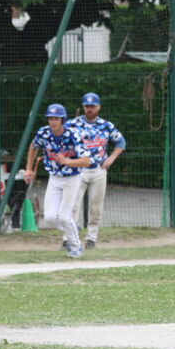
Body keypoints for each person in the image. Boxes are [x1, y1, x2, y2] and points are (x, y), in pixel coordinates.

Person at [25, 103, 91, 257]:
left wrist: (68, 162)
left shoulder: (73, 135)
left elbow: (86, 160)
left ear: (63, 119)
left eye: (56, 118)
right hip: (54, 178)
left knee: (64, 216)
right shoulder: (44, 133)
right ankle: (72, 228)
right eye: (50, 118)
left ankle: (76, 248)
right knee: (49, 217)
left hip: (72, 178)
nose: (53, 121)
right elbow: (33, 146)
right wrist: (28, 168)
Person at [65, 92, 126, 250]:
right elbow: (61, 138)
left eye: (92, 106)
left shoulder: (106, 125)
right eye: (87, 106)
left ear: (99, 107)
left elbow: (120, 142)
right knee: (73, 205)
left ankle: (91, 239)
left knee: (96, 207)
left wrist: (111, 158)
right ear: (83, 107)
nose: (89, 109)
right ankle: (68, 239)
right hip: (78, 171)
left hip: (98, 170)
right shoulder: (73, 123)